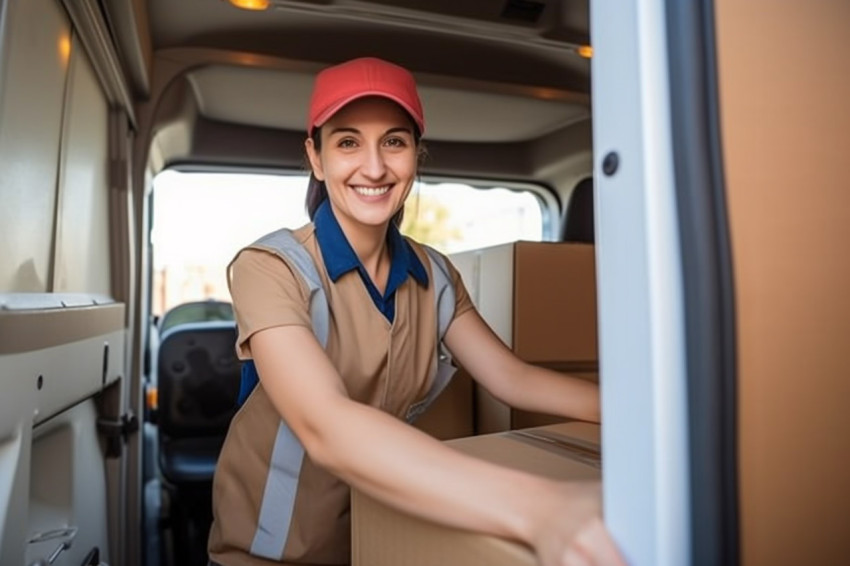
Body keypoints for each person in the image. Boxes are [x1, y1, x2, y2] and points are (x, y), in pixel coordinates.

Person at [208, 57, 625, 566]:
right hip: (271, 556)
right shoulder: (270, 268)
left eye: (394, 141)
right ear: (315, 158)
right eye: (347, 142)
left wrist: (634, 418)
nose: (375, 167)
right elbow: (325, 425)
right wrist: (545, 510)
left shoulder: (436, 274)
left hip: (382, 543)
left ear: (416, 155)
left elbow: (512, 378)